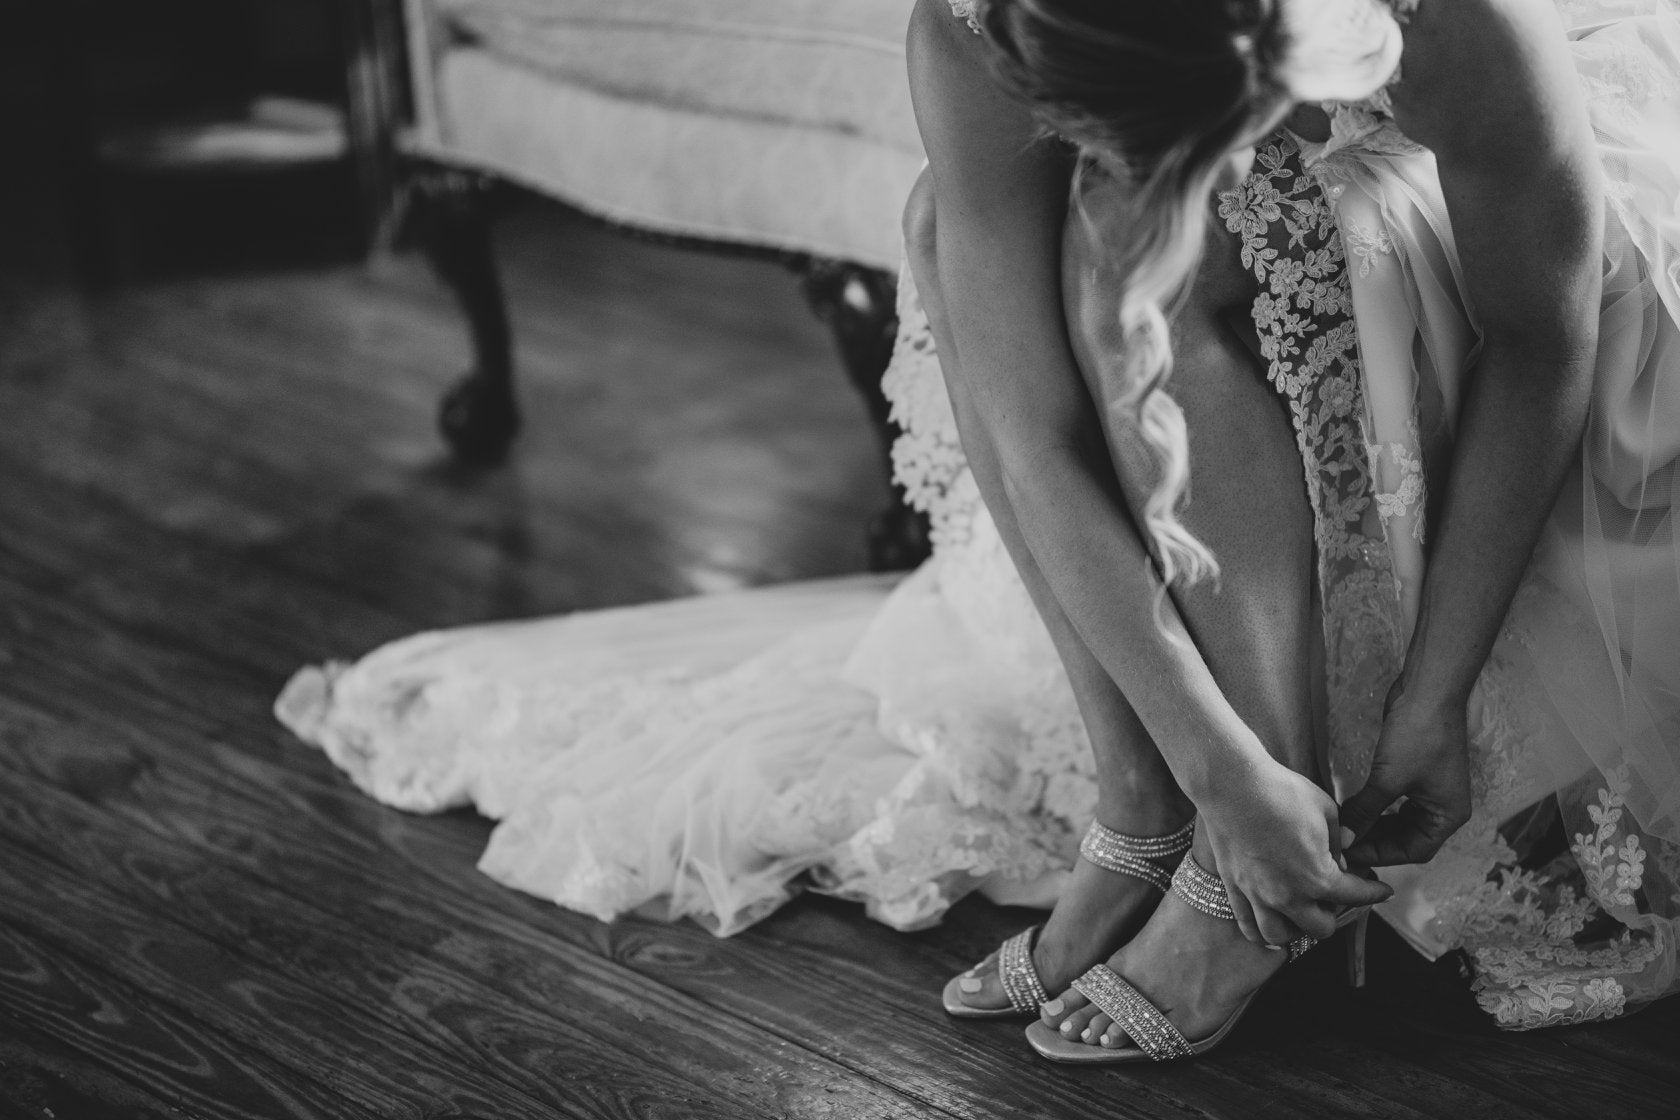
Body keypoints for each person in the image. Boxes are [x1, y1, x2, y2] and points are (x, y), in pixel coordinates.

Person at [278, 0, 1680, 1055]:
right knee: (958, 221)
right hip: (1246, 135)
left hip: (1535, 245)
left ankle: (1247, 883)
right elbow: (1022, 412)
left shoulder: (1451, 19)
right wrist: (1198, 757)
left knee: (1243, 233)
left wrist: (1431, 700)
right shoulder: (979, 16)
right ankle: (1154, 812)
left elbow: (1540, 343)